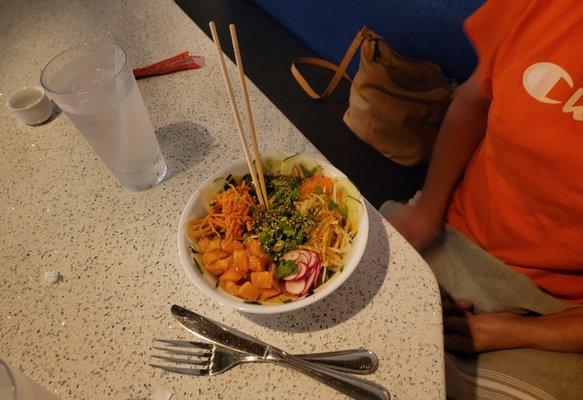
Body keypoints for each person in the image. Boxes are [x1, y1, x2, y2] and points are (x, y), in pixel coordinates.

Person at [382, 0, 583, 398]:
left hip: (560, 314)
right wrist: (426, 212)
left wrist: (520, 330)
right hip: (455, 230)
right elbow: (475, 98)